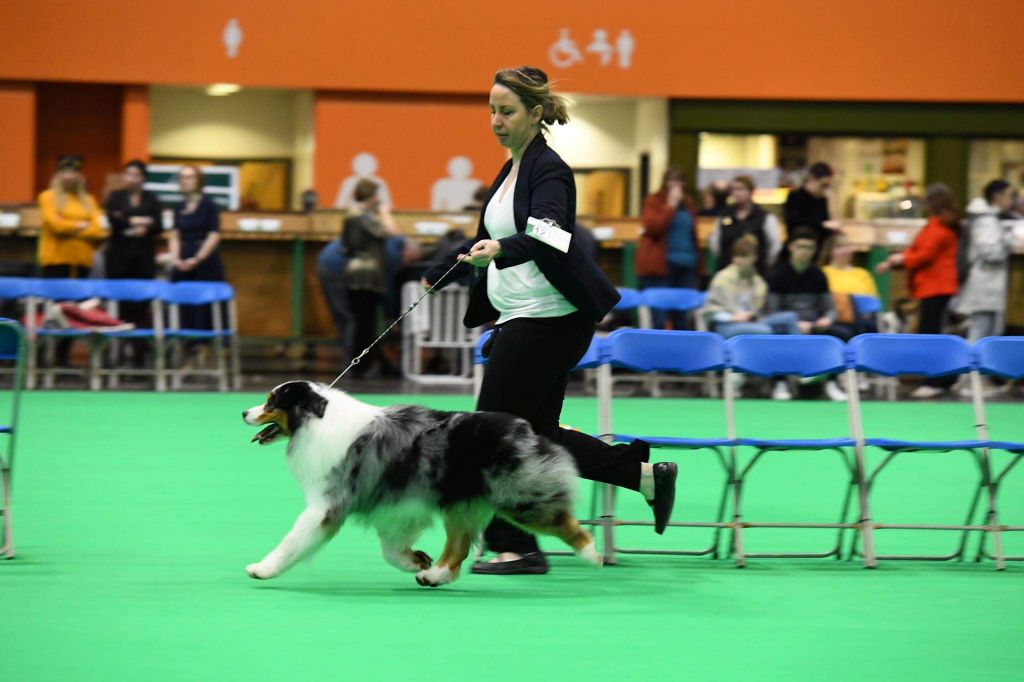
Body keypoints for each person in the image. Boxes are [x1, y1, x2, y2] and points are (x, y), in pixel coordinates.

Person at [422, 66, 677, 576]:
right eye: (491, 110)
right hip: (527, 315)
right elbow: (492, 235)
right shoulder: (512, 166)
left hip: (547, 319)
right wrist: (446, 265)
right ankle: (645, 476)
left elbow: (553, 235)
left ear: (535, 114)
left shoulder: (548, 170)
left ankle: (515, 545)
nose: (495, 120)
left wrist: (503, 248)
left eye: (507, 111)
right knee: (537, 436)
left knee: (488, 435)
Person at [875, 183, 960, 398]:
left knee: (933, 337)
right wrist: (897, 260)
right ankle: (937, 379)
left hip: (938, 288)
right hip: (930, 289)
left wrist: (901, 258)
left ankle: (937, 381)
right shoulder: (934, 224)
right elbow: (917, 250)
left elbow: (924, 254)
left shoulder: (941, 228)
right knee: (930, 334)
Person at [37, 154, 108, 365]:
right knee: (53, 311)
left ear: (79, 175)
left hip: (81, 265)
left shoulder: (89, 201)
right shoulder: (47, 197)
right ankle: (42, 356)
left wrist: (69, 225)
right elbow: (54, 225)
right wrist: (81, 226)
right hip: (55, 263)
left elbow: (99, 231)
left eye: (74, 172)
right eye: (65, 171)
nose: (69, 176)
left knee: (75, 312)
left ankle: (62, 356)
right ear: (58, 174)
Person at [767, 227, 847, 401]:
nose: (805, 251)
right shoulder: (777, 275)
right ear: (791, 247)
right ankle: (780, 382)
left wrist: (827, 319)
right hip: (787, 324)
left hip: (814, 324)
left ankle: (831, 381)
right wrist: (796, 323)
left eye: (809, 247)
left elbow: (829, 307)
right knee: (776, 335)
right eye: (801, 246)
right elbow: (772, 310)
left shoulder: (819, 276)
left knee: (839, 334)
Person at [104, 159, 163, 365]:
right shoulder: (115, 197)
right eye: (129, 174)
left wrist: (134, 221)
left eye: (136, 175)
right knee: (119, 309)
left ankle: (140, 354)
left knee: (141, 311)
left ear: (143, 178)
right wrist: (138, 220)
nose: (132, 178)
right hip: (118, 263)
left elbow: (158, 225)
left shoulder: (152, 200)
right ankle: (116, 355)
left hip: (143, 263)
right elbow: (114, 219)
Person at [342, 179, 398, 378]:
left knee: (361, 322)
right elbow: (390, 231)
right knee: (366, 324)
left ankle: (362, 365)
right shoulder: (363, 215)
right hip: (367, 275)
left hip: (352, 272)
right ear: (370, 196)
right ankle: (360, 366)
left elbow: (345, 246)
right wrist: (385, 212)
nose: (378, 198)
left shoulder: (350, 215)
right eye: (376, 194)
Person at [636, 167, 700, 329]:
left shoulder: (688, 204)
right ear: (665, 183)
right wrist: (670, 205)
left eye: (679, 181)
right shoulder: (654, 201)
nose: (676, 186)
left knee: (683, 319)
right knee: (659, 318)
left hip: (686, 266)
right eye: (672, 181)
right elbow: (653, 228)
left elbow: (692, 234)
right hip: (661, 267)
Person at [956, 179, 1016, 343]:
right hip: (984, 286)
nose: (1012, 200)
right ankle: (971, 367)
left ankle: (977, 367)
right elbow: (991, 252)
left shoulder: (988, 219)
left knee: (987, 332)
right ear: (997, 197)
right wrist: (1008, 240)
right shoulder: (986, 221)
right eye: (1009, 196)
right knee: (980, 332)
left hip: (988, 287)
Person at [169, 165, 226, 332]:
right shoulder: (178, 207)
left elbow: (214, 234)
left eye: (189, 177)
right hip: (182, 262)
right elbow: (175, 235)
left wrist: (198, 258)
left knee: (204, 308)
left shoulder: (209, 205)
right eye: (182, 177)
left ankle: (204, 346)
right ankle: (184, 344)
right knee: (183, 306)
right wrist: (175, 259)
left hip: (204, 262)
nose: (185, 181)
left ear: (199, 181)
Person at [708, 175, 782, 277]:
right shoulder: (724, 215)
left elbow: (775, 246)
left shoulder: (765, 217)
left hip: (756, 273)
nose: (736, 193)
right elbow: (714, 243)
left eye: (740, 189)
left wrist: (764, 264)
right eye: (733, 189)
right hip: (727, 273)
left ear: (751, 191)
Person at [819, 233, 880, 336]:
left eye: (848, 246)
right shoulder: (822, 273)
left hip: (864, 321)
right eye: (839, 247)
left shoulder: (862, 273)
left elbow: (874, 301)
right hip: (835, 321)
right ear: (830, 251)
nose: (845, 250)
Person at [783, 162, 841, 257]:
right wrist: (822, 225)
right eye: (823, 185)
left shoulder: (822, 200)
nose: (825, 189)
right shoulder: (795, 197)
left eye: (828, 186)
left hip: (817, 252)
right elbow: (793, 224)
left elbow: (828, 227)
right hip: (796, 252)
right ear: (812, 179)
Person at [315, 238, 354, 362]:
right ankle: (352, 357)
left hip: (327, 265)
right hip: (334, 268)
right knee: (349, 317)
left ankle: (350, 354)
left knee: (343, 316)